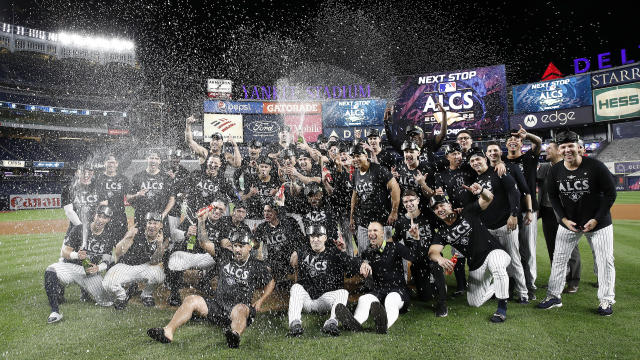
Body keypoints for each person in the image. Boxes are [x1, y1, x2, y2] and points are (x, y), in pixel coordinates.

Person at [147, 230, 275, 348]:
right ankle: (167, 332)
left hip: (238, 310)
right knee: (191, 299)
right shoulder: (225, 255)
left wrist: (261, 300)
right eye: (235, 245)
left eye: (241, 246)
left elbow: (271, 282)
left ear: (249, 247)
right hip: (218, 307)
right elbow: (204, 243)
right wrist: (201, 220)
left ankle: (234, 335)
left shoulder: (257, 265)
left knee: (241, 309)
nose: (237, 249)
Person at [537, 131, 617, 316]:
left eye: (570, 146)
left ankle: (606, 301)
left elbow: (610, 194)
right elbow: (554, 197)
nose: (567, 150)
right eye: (563, 147)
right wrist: (564, 219)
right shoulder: (555, 170)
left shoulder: (596, 166)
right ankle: (553, 296)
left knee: (605, 261)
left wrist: (596, 219)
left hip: (599, 223)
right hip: (570, 223)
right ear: (559, 149)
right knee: (558, 260)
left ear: (579, 147)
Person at [429, 188, 512, 323]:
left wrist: (481, 190)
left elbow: (488, 198)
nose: (440, 209)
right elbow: (432, 252)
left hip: (493, 252)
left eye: (442, 205)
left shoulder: (467, 212)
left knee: (497, 265)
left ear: (449, 205)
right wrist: (440, 258)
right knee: (474, 302)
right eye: (436, 208)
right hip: (475, 263)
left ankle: (501, 308)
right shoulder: (442, 233)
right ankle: (502, 283)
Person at [468, 148, 529, 303]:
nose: (476, 162)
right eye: (472, 161)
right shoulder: (475, 181)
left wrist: (514, 214)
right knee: (495, 262)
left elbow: (514, 192)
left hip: (505, 225)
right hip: (488, 229)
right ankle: (500, 290)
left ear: (485, 159)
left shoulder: (499, 171)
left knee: (514, 260)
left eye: (478, 159)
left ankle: (523, 293)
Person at [335, 222, 416, 334]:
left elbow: (414, 256)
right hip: (379, 291)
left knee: (391, 299)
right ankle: (355, 323)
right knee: (364, 299)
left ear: (383, 234)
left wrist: (415, 239)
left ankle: (384, 326)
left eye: (375, 230)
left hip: (398, 290)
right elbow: (352, 267)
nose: (371, 233)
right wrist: (358, 261)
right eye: (369, 231)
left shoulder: (395, 247)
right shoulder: (368, 252)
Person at [287, 225, 366, 337]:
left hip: (325, 300)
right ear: (309, 238)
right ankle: (295, 324)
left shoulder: (334, 253)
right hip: (307, 299)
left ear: (325, 238)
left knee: (343, 292)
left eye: (319, 236)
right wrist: (293, 257)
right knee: (295, 288)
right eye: (313, 236)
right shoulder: (301, 252)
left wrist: (362, 264)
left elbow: (351, 263)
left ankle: (331, 323)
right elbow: (289, 264)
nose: (315, 239)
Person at [44, 205, 117, 323]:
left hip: (89, 272)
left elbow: (107, 259)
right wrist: (76, 255)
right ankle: (55, 311)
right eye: (99, 216)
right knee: (50, 270)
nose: (100, 219)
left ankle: (85, 291)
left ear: (108, 220)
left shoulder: (108, 236)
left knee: (107, 302)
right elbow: (65, 252)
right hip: (70, 267)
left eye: (105, 217)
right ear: (95, 216)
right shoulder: (79, 229)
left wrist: (98, 267)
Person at [392, 190, 447, 316]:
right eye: (406, 201)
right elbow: (393, 241)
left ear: (418, 200)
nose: (409, 203)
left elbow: (444, 224)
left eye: (411, 200)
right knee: (425, 297)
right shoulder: (401, 222)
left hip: (433, 256)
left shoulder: (429, 215)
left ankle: (442, 303)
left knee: (436, 267)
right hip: (417, 261)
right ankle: (437, 285)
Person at [503, 125, 542, 300]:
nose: (513, 141)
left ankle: (529, 284)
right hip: (509, 211)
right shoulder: (502, 161)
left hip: (529, 210)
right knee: (512, 249)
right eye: (510, 139)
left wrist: (527, 135)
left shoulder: (529, 158)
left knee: (528, 248)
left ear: (521, 142)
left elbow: (539, 143)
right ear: (506, 144)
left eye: (516, 139)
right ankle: (513, 282)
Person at [537, 140, 581, 293]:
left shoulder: (568, 166)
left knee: (571, 247)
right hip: (547, 211)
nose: (546, 151)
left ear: (558, 151)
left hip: (565, 213)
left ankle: (573, 281)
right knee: (552, 248)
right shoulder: (543, 168)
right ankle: (557, 279)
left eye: (549, 149)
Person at [164, 200, 226, 306]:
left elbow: (217, 245)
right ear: (209, 209)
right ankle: (174, 292)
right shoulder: (195, 220)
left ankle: (205, 282)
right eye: (215, 208)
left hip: (208, 258)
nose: (217, 211)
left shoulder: (224, 225)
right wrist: (185, 233)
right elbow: (174, 234)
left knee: (224, 257)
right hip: (190, 255)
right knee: (174, 257)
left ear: (224, 212)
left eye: (221, 210)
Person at [102, 212, 168, 310]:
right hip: (125, 266)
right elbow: (118, 253)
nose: (152, 226)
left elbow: (155, 261)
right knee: (107, 284)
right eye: (150, 223)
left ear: (161, 225)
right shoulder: (137, 233)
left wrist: (159, 245)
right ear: (146, 224)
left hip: (144, 267)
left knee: (159, 275)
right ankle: (122, 296)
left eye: (155, 223)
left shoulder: (163, 238)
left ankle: (146, 294)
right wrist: (127, 237)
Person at [349, 143, 401, 255]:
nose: (355, 159)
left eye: (358, 155)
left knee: (388, 253)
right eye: (353, 156)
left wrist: (394, 212)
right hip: (364, 222)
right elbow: (354, 197)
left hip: (383, 220)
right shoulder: (356, 174)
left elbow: (395, 188)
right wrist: (352, 217)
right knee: (364, 253)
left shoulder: (379, 170)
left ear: (366, 155)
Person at [253, 201, 306, 284]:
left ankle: (297, 286)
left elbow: (301, 240)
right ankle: (277, 285)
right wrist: (252, 238)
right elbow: (255, 246)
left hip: (289, 258)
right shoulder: (262, 227)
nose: (266, 214)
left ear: (275, 211)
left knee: (296, 260)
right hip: (273, 260)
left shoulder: (288, 222)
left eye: (269, 211)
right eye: (264, 211)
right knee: (264, 270)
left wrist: (296, 252)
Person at [127, 150, 175, 231]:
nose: (153, 160)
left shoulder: (166, 177)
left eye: (156, 158)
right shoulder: (137, 176)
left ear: (159, 161)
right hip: (141, 218)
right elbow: (128, 198)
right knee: (140, 241)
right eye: (151, 158)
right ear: (147, 159)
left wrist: (163, 214)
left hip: (160, 218)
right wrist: (137, 195)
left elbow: (172, 199)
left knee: (163, 241)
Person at [95, 154, 131, 242]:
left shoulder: (123, 179)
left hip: (119, 217)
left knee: (121, 246)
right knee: (103, 245)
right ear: (104, 164)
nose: (111, 164)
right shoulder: (98, 179)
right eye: (108, 162)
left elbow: (130, 196)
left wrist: (137, 195)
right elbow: (93, 197)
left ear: (116, 164)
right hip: (103, 217)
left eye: (112, 162)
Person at [242, 156, 280, 231]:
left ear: (270, 168)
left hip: (267, 219)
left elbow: (281, 201)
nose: (263, 169)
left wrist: (277, 194)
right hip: (251, 217)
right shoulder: (251, 179)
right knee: (251, 241)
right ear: (258, 167)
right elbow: (242, 198)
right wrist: (250, 194)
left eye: (266, 167)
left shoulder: (275, 180)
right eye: (261, 166)